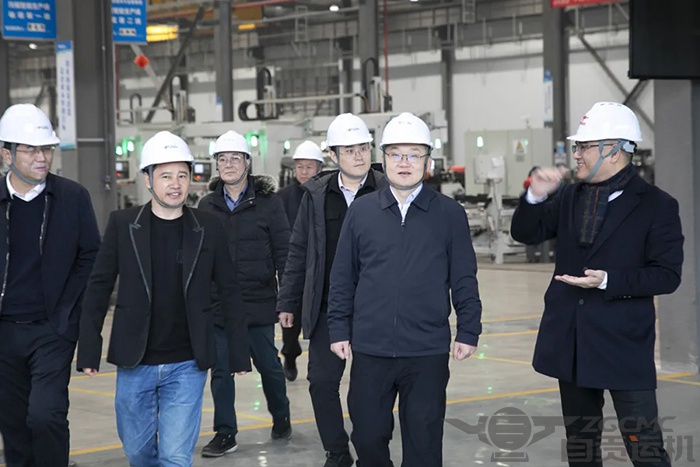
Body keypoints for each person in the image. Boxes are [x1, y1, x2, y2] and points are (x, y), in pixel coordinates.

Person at [510, 102, 683, 467]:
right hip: (572, 341)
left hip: (623, 344)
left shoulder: (657, 205)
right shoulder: (570, 196)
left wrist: (608, 281)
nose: (576, 155)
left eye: (584, 147)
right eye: (578, 147)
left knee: (644, 445)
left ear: (614, 150)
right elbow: (526, 233)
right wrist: (535, 195)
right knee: (581, 444)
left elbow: (667, 275)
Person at [77, 131, 251, 466]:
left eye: (182, 175)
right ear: (147, 179)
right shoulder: (123, 224)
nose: (175, 184)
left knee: (175, 456)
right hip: (136, 361)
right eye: (166, 176)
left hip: (187, 362)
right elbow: (98, 288)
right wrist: (88, 349)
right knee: (138, 452)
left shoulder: (209, 227)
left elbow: (229, 291)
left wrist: (239, 354)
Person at [327, 112, 483, 467]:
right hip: (371, 347)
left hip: (426, 350)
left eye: (414, 154)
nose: (404, 163)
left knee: (424, 440)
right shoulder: (362, 212)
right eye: (396, 154)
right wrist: (339, 328)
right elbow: (343, 276)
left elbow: (463, 276)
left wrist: (469, 329)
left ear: (428, 161)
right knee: (367, 436)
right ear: (383, 159)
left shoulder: (449, 214)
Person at [277, 113, 387, 467]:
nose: (358, 156)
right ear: (333, 155)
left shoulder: (387, 189)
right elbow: (299, 250)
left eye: (363, 148)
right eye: (349, 150)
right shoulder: (317, 196)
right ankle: (337, 452)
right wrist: (288, 301)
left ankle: (372, 451)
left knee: (370, 389)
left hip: (377, 308)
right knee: (321, 382)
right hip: (329, 306)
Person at [0, 104, 101, 467]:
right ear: (6, 154)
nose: (42, 158)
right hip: (5, 332)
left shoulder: (72, 197)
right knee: (13, 424)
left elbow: (91, 256)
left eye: (47, 149)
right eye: (31, 150)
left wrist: (66, 312)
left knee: (45, 415)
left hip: (52, 330)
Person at [198, 130, 292, 457]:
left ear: (247, 163)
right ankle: (225, 433)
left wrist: (287, 299)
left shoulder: (269, 203)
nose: (228, 164)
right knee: (221, 371)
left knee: (269, 366)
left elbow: (284, 252)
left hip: (257, 300)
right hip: (219, 304)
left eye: (235, 158)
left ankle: (281, 415)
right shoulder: (207, 205)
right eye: (222, 159)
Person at [277, 140, 324, 382]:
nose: (304, 172)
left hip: (320, 267)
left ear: (319, 168)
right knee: (290, 317)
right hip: (292, 266)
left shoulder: (326, 195)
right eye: (300, 167)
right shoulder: (283, 198)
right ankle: (290, 353)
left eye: (309, 167)